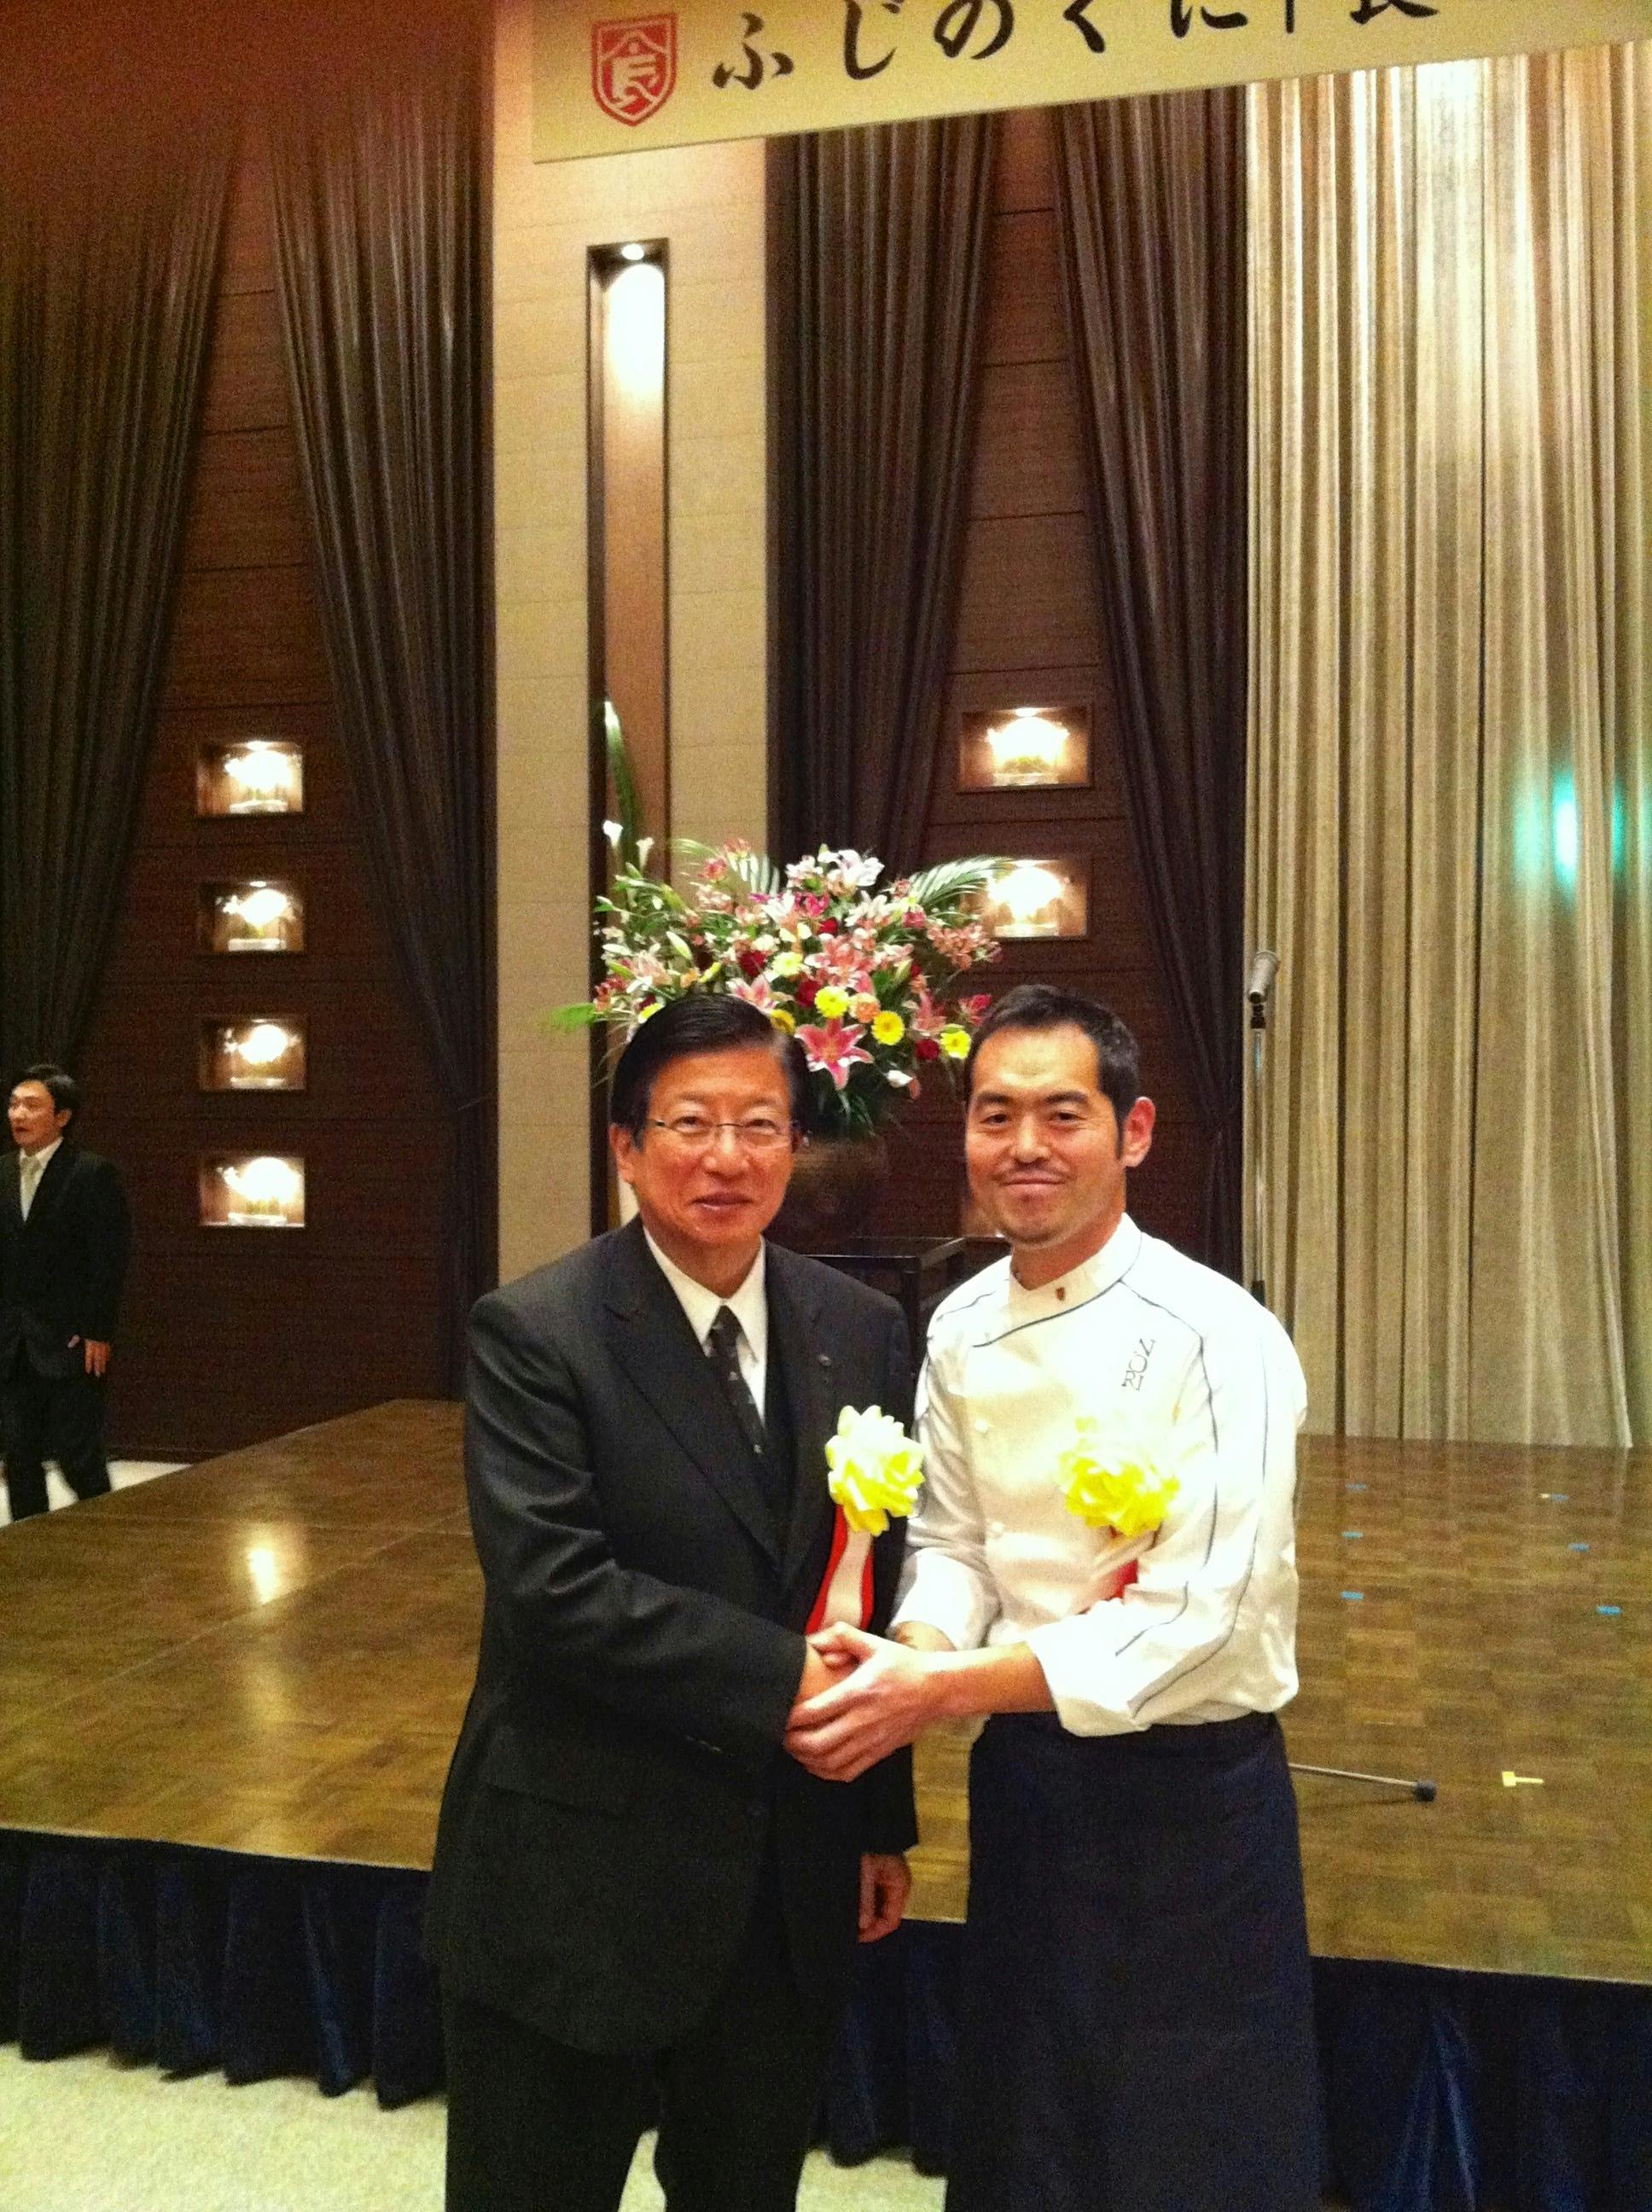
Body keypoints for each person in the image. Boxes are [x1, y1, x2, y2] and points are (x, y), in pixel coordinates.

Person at [785, 983, 1320, 2212]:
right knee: (1028, 2124)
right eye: (996, 1115)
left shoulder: (1217, 1334)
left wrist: (940, 1689)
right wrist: (909, 1648)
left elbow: (1206, 1621)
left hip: (1193, 1797)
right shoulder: (963, 1326)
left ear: (1134, 1132)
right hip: (1030, 1782)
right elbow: (955, 1542)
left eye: (1062, 1114)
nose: (1024, 1146)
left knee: (1190, 2143)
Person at [426, 994, 916, 2212]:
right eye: (690, 1124)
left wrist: (874, 1817)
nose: (725, 1157)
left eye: (759, 1125)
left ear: (795, 1144)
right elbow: (555, 1592)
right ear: (627, 1147)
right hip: (577, 1868)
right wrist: (788, 1679)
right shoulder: (537, 1331)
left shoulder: (860, 1330)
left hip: (785, 1868)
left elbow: (871, 1573)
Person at [2, 1063, 132, 1523]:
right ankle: (29, 1547)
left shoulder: (91, 1173)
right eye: (14, 1104)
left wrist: (98, 1328)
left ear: (62, 1116)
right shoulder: (3, 1172)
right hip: (12, 1341)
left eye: (31, 1105)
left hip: (71, 1339)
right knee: (19, 1457)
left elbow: (109, 1258)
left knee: (79, 1457)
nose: (18, 1114)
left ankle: (103, 1540)